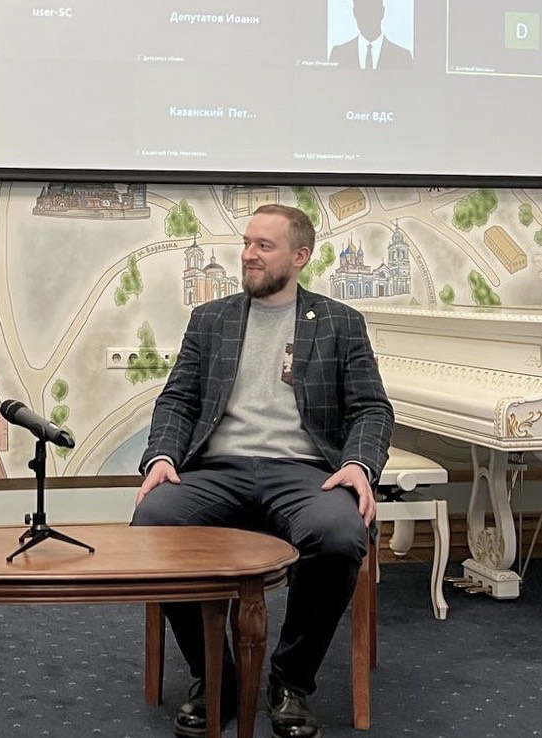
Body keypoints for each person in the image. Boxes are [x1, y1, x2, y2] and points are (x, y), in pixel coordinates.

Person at [131, 204, 394, 738]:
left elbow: (371, 408)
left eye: (264, 246)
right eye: (247, 243)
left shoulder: (340, 322)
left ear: (300, 257)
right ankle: (216, 676)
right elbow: (177, 400)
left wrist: (358, 465)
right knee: (155, 522)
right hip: (217, 469)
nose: (249, 255)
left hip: (304, 471)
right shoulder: (211, 319)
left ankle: (290, 681)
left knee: (339, 535)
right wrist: (161, 457)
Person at [329, 0, 413, 70]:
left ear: (382, 11)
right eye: (362, 9)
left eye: (372, 9)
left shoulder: (403, 58)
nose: (368, 16)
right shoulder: (338, 55)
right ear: (354, 13)